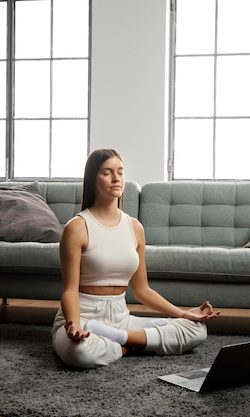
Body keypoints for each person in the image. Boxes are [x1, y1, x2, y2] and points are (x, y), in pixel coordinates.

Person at [51, 148, 219, 368]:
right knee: (80, 354)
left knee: (196, 329)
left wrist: (183, 313)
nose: (116, 178)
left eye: (120, 172)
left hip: (121, 319)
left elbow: (142, 290)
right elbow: (70, 290)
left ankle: (120, 339)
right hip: (82, 316)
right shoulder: (77, 227)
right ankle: (135, 341)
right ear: (92, 179)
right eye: (107, 172)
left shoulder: (134, 227)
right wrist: (73, 323)